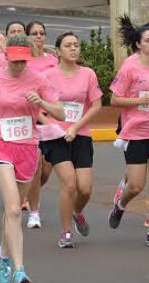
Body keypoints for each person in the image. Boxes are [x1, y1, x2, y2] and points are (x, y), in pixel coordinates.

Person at [0, 34, 62, 283]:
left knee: (12, 212)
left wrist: (42, 101)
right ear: (5, 56)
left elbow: (61, 111)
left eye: (23, 61)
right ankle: (19, 269)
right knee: (14, 209)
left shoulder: (39, 79)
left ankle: (1, 256)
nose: (19, 65)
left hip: (27, 146)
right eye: (15, 61)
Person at [37, 32, 101, 248]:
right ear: (58, 51)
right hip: (55, 136)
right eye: (68, 45)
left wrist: (75, 126)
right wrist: (52, 126)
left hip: (80, 134)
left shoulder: (88, 74)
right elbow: (36, 108)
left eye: (76, 45)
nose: (73, 48)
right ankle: (65, 233)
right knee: (70, 184)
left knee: (85, 189)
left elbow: (96, 105)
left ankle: (77, 212)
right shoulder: (46, 76)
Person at [108, 16, 149, 244]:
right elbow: (114, 100)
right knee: (136, 185)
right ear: (138, 44)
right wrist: (140, 101)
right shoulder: (130, 67)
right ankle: (120, 205)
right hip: (135, 130)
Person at [23, 20, 58, 228]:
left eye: (41, 33)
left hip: (50, 118)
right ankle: (34, 212)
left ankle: (27, 192)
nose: (38, 37)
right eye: (34, 33)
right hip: (30, 118)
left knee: (45, 171)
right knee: (35, 167)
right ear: (28, 37)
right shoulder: (23, 62)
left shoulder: (53, 61)